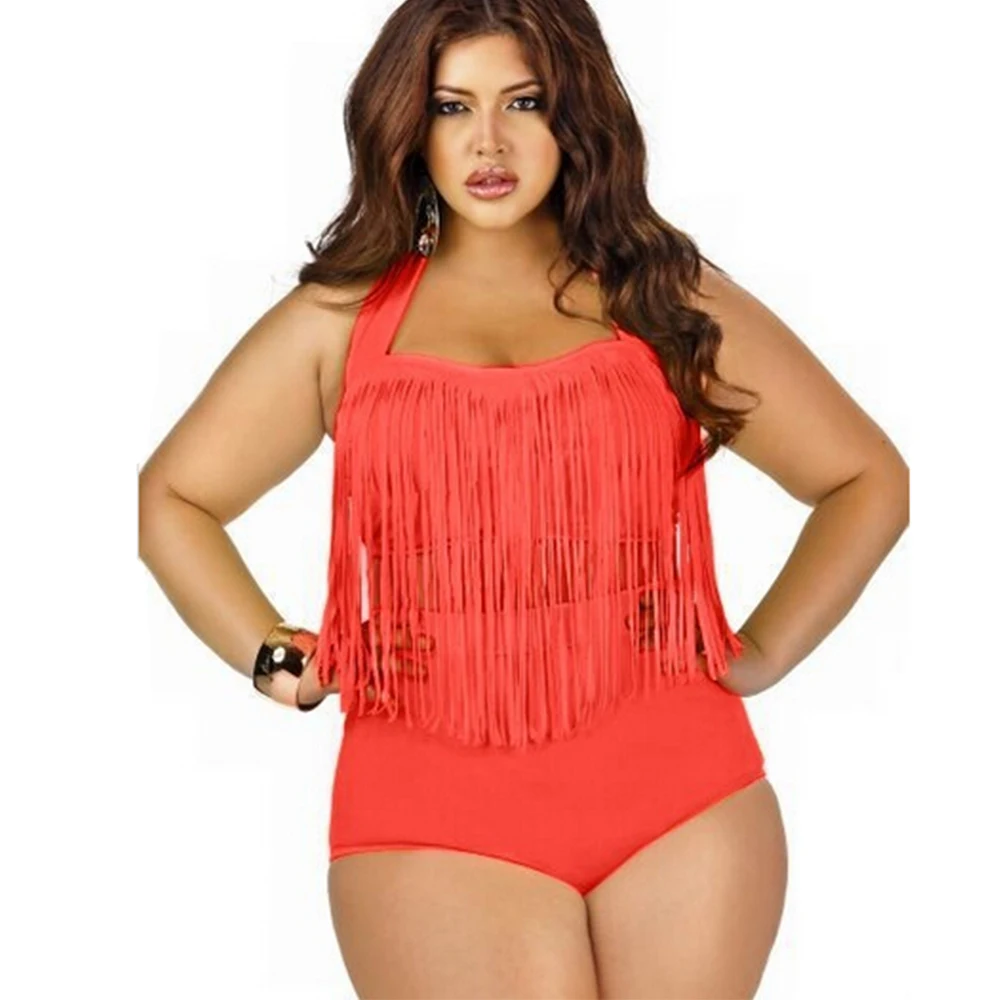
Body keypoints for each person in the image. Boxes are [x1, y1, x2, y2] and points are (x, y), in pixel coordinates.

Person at [138, 2, 909, 997]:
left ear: (575, 115)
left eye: (525, 102)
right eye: (452, 105)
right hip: (430, 811)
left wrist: (757, 653)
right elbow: (174, 497)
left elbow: (865, 479)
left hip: (684, 794)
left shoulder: (662, 298)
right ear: (408, 124)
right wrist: (278, 658)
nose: (488, 142)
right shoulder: (338, 322)